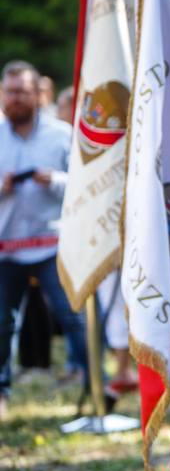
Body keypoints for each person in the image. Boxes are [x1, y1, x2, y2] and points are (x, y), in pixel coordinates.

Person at [0, 61, 87, 420]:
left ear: (38, 93)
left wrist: (56, 180)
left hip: (54, 245)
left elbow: (86, 182)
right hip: (7, 249)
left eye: (22, 91)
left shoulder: (61, 134)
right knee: (2, 324)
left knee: (74, 316)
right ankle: (2, 395)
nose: (15, 98)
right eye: (9, 91)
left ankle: (94, 391)